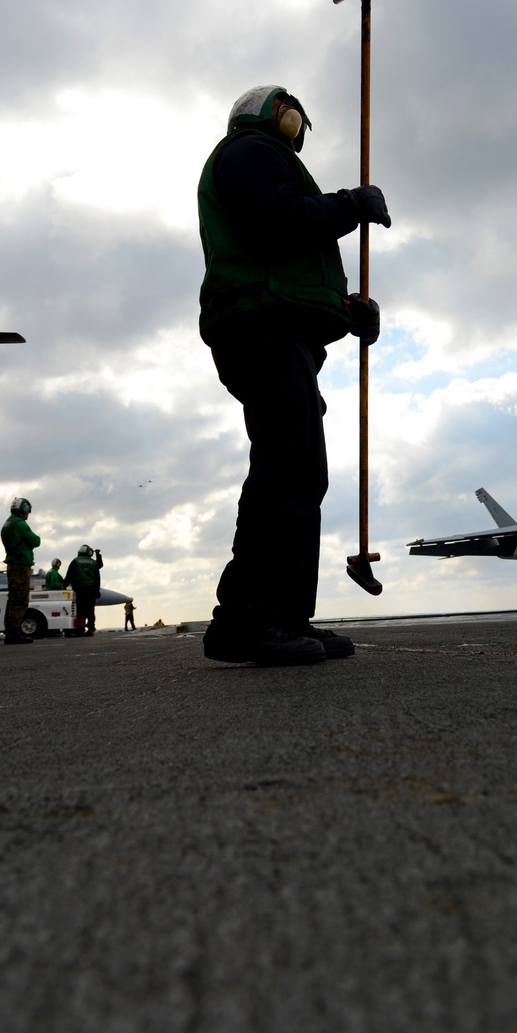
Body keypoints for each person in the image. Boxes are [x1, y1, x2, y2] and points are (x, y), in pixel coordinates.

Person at [198, 84, 388, 667]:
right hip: (260, 327)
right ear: (275, 112)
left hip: (277, 327)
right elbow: (279, 221)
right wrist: (350, 205)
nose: (299, 121)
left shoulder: (263, 158)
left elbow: (287, 268)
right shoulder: (249, 152)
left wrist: (346, 311)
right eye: (293, 110)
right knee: (287, 467)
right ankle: (249, 618)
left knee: (302, 471)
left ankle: (282, 615)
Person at [0, 496, 41, 644]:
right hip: (21, 565)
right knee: (20, 599)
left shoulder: (8, 523)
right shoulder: (20, 524)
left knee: (12, 599)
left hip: (13, 565)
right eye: (28, 511)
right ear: (23, 509)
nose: (28, 514)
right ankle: (14, 632)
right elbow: (36, 541)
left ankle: (11, 631)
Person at [64, 545, 102, 635]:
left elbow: (69, 574)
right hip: (91, 588)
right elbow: (97, 577)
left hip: (79, 589)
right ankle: (91, 628)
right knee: (90, 609)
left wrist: (64, 585)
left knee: (80, 609)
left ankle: (80, 628)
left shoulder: (75, 561)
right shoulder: (93, 562)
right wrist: (97, 590)